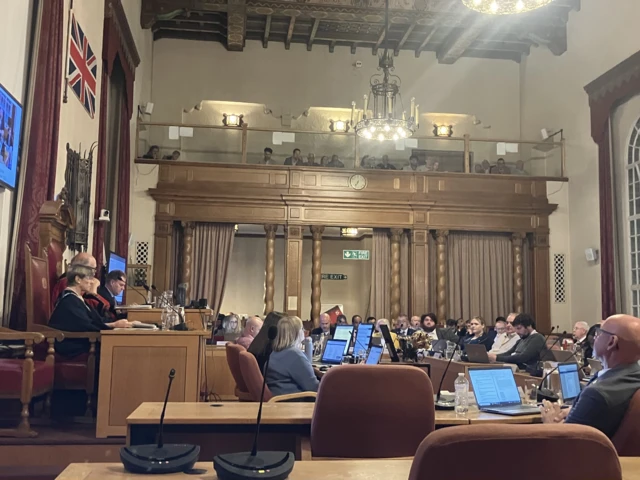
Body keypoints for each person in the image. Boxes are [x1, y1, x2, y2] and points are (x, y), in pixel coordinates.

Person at [540, 314, 640, 440]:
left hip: (588, 458)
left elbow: (565, 445)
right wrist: (577, 409)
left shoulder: (597, 394)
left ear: (611, 342)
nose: (593, 338)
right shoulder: (631, 377)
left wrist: (549, 423)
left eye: (598, 333)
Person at [49, 266, 131, 357]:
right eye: (89, 278)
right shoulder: (69, 300)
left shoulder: (77, 298)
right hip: (70, 344)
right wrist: (114, 325)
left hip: (82, 338)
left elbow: (96, 320)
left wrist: (117, 323)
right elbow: (86, 325)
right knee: (116, 347)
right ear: (78, 279)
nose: (92, 282)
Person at [265, 316, 319, 396]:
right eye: (302, 329)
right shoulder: (295, 355)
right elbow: (314, 387)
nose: (303, 332)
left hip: (279, 399)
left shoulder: (275, 352)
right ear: (296, 332)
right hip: (295, 402)